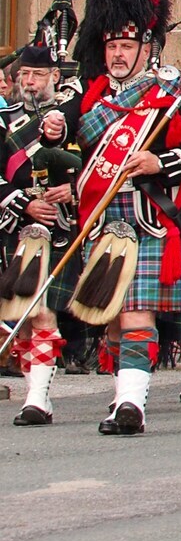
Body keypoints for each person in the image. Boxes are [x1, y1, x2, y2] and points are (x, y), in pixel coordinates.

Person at [57, 0, 181, 434]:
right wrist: (55, 128)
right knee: (112, 318)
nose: (117, 55)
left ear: (147, 47)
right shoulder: (92, 97)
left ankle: (131, 405)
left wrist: (160, 163)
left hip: (149, 216)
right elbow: (59, 137)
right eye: (112, 45)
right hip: (101, 220)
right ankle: (122, 396)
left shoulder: (170, 93)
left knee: (136, 311)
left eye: (126, 46)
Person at [2, 43, 83, 425]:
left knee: (43, 310)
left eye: (38, 75)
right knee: (20, 310)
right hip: (16, 225)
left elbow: (95, 161)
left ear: (55, 76)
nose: (30, 83)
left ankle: (38, 397)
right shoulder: (6, 120)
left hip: (63, 225)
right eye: (24, 76)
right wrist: (21, 202)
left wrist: (75, 188)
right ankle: (34, 390)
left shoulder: (74, 114)